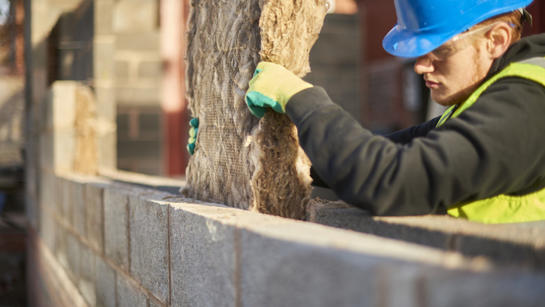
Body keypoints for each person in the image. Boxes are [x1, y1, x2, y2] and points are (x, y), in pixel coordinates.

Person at [244, 0, 545, 223]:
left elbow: (389, 179)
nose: (421, 66)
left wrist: (302, 100)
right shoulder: (489, 97)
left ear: (496, 41)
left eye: (439, 50)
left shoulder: (529, 107)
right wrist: (255, 150)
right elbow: (388, 152)